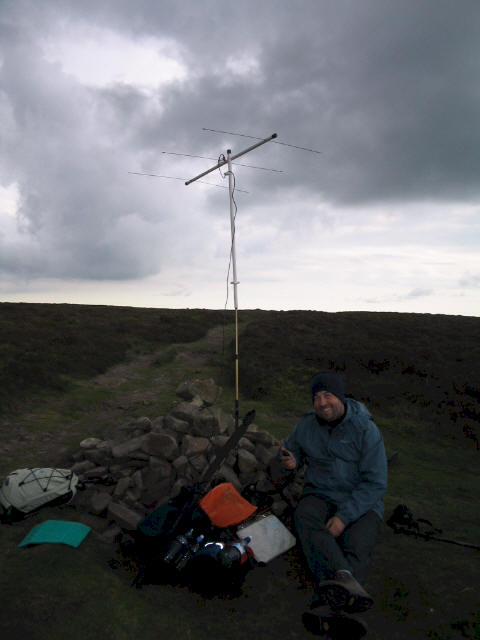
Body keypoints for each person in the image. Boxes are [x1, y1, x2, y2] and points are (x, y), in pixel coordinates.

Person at [278, 371, 388, 636]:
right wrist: (290, 462)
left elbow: (375, 483)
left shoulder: (365, 429)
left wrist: (343, 518)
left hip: (360, 501)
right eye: (316, 397)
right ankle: (343, 590)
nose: (322, 402)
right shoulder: (306, 425)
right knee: (305, 516)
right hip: (320, 495)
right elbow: (289, 452)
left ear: (340, 396)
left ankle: (326, 608)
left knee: (356, 544)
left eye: (327, 395)